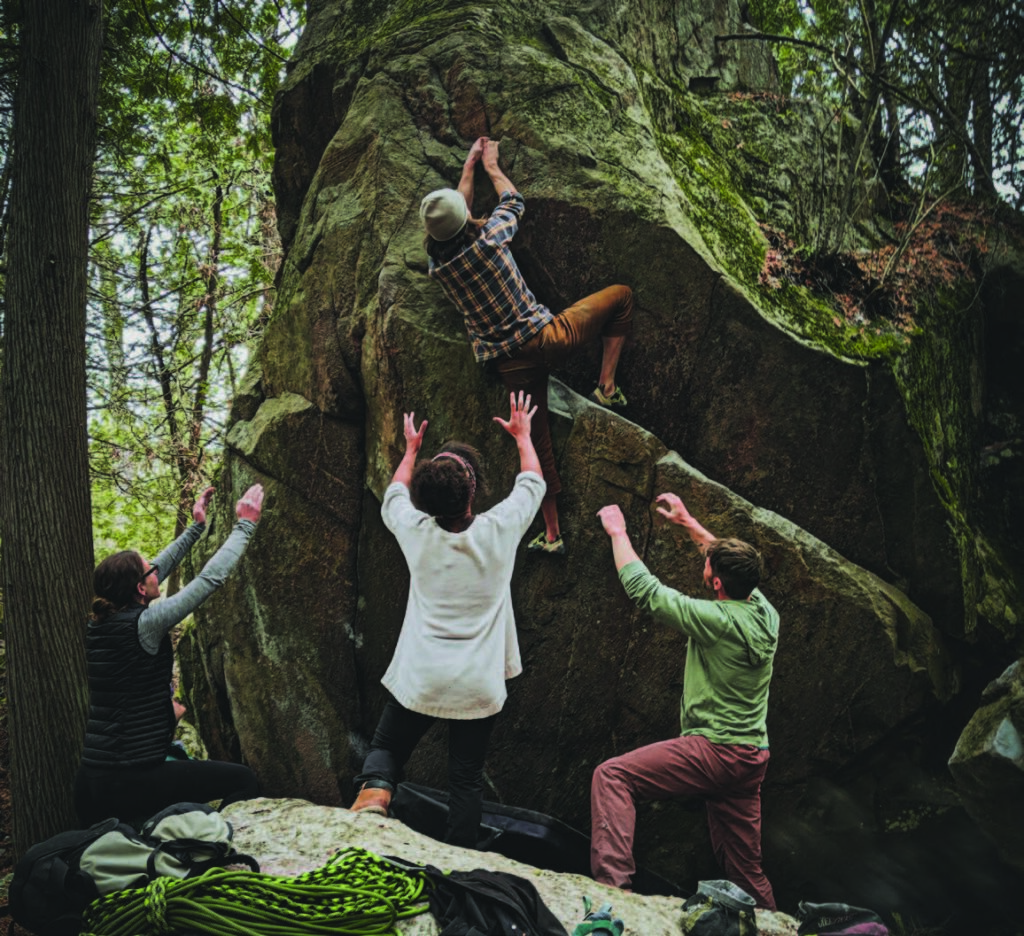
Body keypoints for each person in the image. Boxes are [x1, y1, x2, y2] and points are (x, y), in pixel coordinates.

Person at [420, 136, 634, 556]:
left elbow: (457, 220)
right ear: (466, 219)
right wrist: (491, 167)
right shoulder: (491, 238)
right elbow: (513, 202)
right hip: (546, 338)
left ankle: (553, 535)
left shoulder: (439, 268)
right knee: (622, 296)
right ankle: (606, 387)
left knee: (536, 444)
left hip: (508, 363)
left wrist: (467, 170)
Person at [350, 391, 546, 848]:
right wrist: (523, 435)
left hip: (422, 677)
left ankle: (374, 798)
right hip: (477, 684)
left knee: (387, 749)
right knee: (465, 780)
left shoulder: (415, 532)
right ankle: (461, 859)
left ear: (426, 501)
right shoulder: (500, 530)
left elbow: (393, 494)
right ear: (472, 491)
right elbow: (532, 482)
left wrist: (411, 449)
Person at [590, 493, 779, 909]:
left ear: (715, 583)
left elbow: (648, 593)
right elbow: (727, 563)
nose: (705, 561)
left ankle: (612, 896)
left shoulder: (717, 620)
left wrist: (617, 533)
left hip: (713, 751)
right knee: (747, 873)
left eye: (709, 564)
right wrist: (689, 521)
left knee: (613, 777)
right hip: (750, 759)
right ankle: (773, 927)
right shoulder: (766, 613)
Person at [74, 484, 265, 826]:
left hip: (93, 780)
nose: (156, 572)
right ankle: (217, 852)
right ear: (138, 588)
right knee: (243, 780)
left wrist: (196, 528)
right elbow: (209, 580)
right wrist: (246, 525)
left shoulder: (101, 623)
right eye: (149, 571)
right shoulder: (146, 624)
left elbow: (155, 567)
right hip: (130, 779)